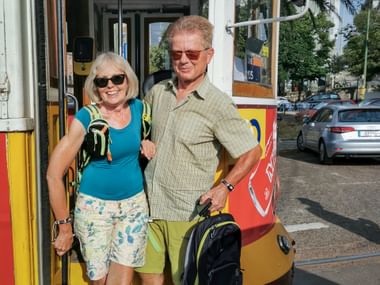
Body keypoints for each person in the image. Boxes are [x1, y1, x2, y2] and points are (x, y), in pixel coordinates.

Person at [136, 15, 262, 285]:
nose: (184, 60)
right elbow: (139, 130)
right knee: (149, 280)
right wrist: (141, 142)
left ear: (209, 55)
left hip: (187, 215)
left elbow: (252, 152)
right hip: (147, 210)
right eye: (176, 53)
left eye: (192, 53)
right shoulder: (158, 93)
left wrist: (224, 187)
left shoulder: (217, 104)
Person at [46, 52, 155, 285]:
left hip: (133, 207)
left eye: (117, 78)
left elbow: (146, 143)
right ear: (94, 86)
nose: (110, 86)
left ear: (128, 80)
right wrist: (65, 227)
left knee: (121, 282)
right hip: (95, 209)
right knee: (100, 280)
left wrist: (148, 144)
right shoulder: (87, 117)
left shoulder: (140, 109)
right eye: (102, 81)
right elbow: (54, 175)